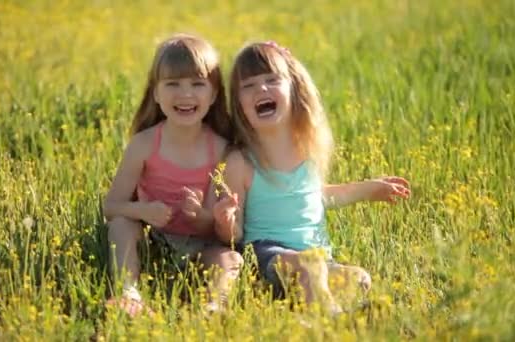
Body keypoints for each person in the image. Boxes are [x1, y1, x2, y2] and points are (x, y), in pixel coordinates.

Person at [213, 41, 410, 314]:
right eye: (249, 86)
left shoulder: (305, 149)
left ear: (294, 90)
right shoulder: (242, 161)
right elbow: (234, 236)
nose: (262, 89)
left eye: (272, 80)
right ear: (239, 105)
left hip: (314, 258)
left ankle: (305, 304)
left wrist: (369, 189)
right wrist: (225, 222)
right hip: (267, 256)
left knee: (359, 279)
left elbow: (317, 196)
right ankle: (332, 321)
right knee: (310, 266)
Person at [103, 34, 242, 316]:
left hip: (202, 244)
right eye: (172, 84)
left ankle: (215, 306)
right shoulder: (143, 145)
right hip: (154, 238)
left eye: (197, 84)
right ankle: (129, 293)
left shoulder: (220, 150)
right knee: (121, 225)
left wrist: (205, 217)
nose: (185, 94)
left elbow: (220, 234)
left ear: (214, 94)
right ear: (155, 93)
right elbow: (111, 206)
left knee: (230, 258)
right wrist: (144, 210)